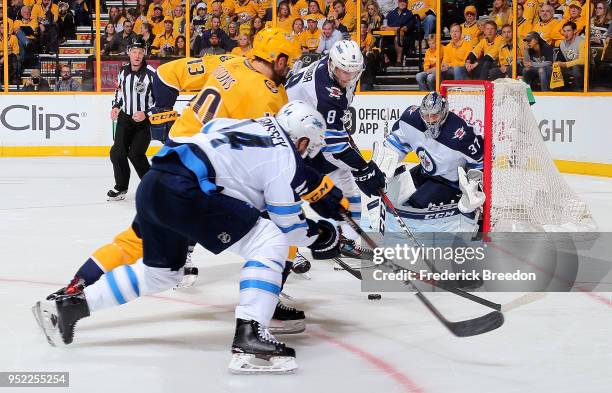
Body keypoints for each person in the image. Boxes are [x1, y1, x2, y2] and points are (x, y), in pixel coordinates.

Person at [33, 101, 347, 374]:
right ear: (302, 140)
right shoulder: (286, 157)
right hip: (186, 191)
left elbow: (213, 132)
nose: (306, 155)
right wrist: (323, 235)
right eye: (308, 148)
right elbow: (287, 226)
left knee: (162, 273)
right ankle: (250, 337)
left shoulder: (251, 122)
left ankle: (69, 308)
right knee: (271, 241)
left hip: (156, 182)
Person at [42, 28, 308, 334]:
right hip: (204, 172)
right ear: (279, 58)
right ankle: (268, 306)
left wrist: (162, 114)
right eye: (291, 62)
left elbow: (168, 73)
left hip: (172, 158)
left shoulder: (228, 61)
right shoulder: (271, 96)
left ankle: (72, 291)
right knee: (276, 231)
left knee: (134, 240)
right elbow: (277, 156)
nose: (291, 69)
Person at [286, 40, 385, 257]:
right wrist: (363, 168)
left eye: (352, 72)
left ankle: (347, 241)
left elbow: (334, 128)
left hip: (307, 130)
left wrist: (359, 166)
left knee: (346, 183)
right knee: (288, 194)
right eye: (343, 71)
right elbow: (333, 143)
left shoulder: (337, 71)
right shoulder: (325, 92)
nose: (347, 77)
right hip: (289, 137)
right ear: (332, 64)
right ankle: (287, 251)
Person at [372, 92, 484, 233]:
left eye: (434, 116)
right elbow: (396, 143)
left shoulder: (461, 134)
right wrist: (381, 166)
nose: (430, 120)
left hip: (449, 183)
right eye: (426, 116)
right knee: (392, 190)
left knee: (414, 205)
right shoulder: (410, 119)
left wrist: (472, 187)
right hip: (425, 172)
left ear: (443, 113)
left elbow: (480, 162)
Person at [108, 38, 156, 201]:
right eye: (134, 52)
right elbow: (119, 92)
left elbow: (160, 101)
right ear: (129, 53)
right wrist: (116, 106)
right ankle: (121, 187)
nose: (137, 56)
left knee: (136, 154)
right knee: (117, 153)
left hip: (143, 123)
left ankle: (153, 188)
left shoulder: (152, 74)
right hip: (125, 118)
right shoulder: (123, 71)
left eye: (140, 52)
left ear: (144, 54)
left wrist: (147, 113)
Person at [382, 0, 416, 66]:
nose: (402, 3)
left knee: (398, 35)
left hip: (404, 37)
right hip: (389, 36)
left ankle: (399, 60)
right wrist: (386, 28)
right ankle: (386, 59)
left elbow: (404, 28)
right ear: (398, 2)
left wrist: (390, 28)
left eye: (404, 2)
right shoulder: (391, 13)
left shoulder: (409, 13)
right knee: (377, 38)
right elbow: (384, 26)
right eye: (401, 1)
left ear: (407, 3)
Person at [555, 21, 585, 91]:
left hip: (586, 69)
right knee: (555, 67)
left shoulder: (582, 42)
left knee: (576, 67)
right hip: (570, 67)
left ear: (574, 31)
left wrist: (565, 64)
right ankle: (558, 92)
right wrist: (557, 63)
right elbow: (559, 59)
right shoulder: (562, 43)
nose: (566, 33)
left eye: (568, 31)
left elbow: (583, 61)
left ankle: (577, 91)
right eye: (564, 31)